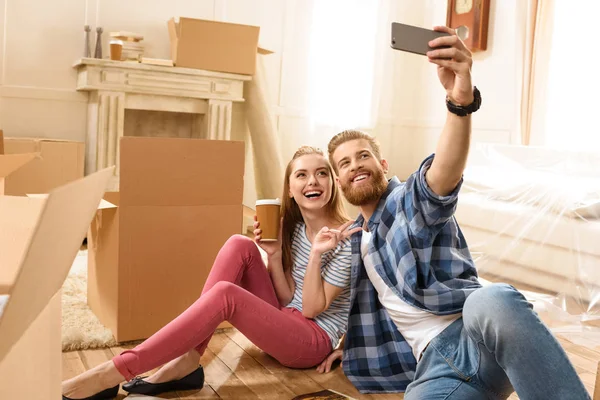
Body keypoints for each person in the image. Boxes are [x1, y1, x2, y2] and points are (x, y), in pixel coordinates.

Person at [318, 26, 591, 399]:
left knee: (490, 298)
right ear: (338, 180)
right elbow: (361, 302)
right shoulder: (355, 240)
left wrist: (458, 100)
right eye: (344, 163)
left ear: (382, 163)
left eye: (363, 155)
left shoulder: (405, 202)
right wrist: (348, 346)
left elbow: (441, 175)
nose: (356, 165)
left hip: (474, 334)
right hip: (433, 370)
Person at [62, 146, 360, 400]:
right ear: (291, 189)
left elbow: (309, 311)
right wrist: (273, 253)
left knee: (225, 295)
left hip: (310, 342)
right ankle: (187, 360)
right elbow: (287, 297)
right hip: (285, 320)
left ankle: (111, 371)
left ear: (333, 182)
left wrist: (318, 255)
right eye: (302, 174)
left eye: (321, 173)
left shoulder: (345, 238)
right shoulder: (295, 227)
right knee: (239, 244)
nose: (313, 181)